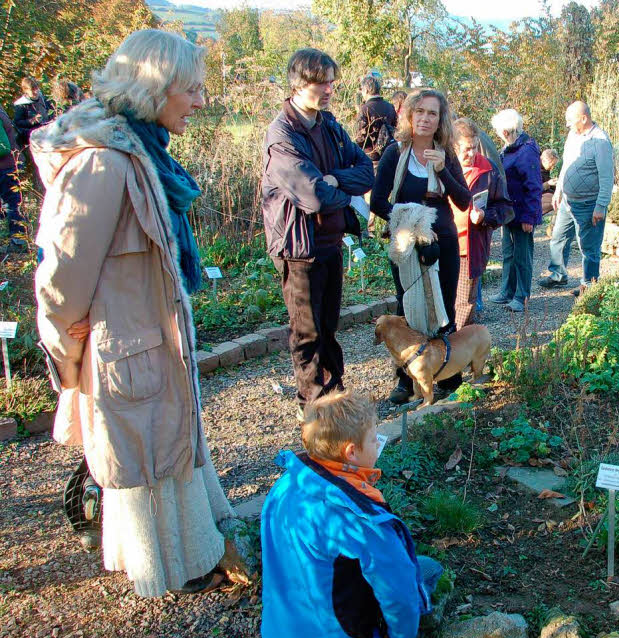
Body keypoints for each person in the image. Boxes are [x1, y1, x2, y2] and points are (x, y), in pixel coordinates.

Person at [33, 28, 235, 596]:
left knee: (163, 446)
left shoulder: (142, 153)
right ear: (154, 88)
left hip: (147, 335)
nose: (200, 102)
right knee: (143, 454)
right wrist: (67, 351)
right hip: (124, 341)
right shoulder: (102, 165)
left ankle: (191, 550)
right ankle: (163, 566)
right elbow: (61, 277)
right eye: (191, 90)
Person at [261, 390, 443, 638]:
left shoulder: (286, 484)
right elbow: (396, 589)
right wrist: (402, 636)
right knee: (428, 569)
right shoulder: (359, 520)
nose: (378, 443)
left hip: (282, 626)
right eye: (373, 438)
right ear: (351, 452)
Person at [261, 49, 374, 415]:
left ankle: (334, 393)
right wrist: (340, 191)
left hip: (330, 242)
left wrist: (335, 179)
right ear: (299, 83)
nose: (328, 89)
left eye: (330, 81)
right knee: (307, 332)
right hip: (299, 248)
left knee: (328, 326)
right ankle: (312, 403)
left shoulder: (330, 126)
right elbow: (312, 195)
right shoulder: (282, 134)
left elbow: (366, 171)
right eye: (320, 82)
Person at [370, 88, 472, 404]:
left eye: (432, 113)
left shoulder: (446, 154)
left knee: (444, 310)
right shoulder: (395, 153)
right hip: (406, 245)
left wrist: (442, 170)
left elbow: (464, 201)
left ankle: (449, 375)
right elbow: (377, 201)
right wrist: (410, 222)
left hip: (442, 243)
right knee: (408, 312)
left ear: (440, 120)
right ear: (409, 115)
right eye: (420, 112)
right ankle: (406, 379)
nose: (426, 118)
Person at [538, 101, 614, 295]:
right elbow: (566, 166)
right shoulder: (573, 135)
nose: (567, 125)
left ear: (583, 118)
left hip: (589, 204)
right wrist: (558, 191)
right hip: (567, 202)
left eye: (570, 121)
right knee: (558, 238)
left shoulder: (600, 142)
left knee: (589, 247)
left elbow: (607, 177)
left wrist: (601, 205)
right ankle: (558, 275)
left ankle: (589, 285)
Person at [451, 117, 513, 327]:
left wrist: (485, 217)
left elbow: (505, 208)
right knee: (440, 304)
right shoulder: (442, 166)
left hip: (469, 249)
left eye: (475, 147)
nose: (472, 154)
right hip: (442, 246)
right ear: (453, 145)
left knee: (464, 306)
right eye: (467, 149)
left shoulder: (489, 170)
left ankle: (459, 353)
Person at [489, 109, 542, 313]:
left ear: (505, 130)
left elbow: (534, 186)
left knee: (522, 256)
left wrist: (529, 217)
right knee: (508, 254)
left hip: (522, 215)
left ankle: (522, 297)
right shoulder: (508, 148)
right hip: (509, 213)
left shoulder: (526, 150)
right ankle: (507, 291)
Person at [13, 76, 54, 195]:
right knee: (38, 166)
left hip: (48, 135)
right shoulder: (21, 105)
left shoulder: (44, 99)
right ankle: (40, 190)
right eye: (33, 89)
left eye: (37, 87)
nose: (36, 91)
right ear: (26, 90)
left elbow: (51, 113)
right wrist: (32, 121)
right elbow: (17, 123)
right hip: (32, 139)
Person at [355, 75, 398, 167]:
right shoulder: (390, 107)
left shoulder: (364, 109)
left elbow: (361, 137)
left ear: (366, 90)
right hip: (389, 153)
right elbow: (396, 129)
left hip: (371, 157)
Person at [0, 106, 26, 252]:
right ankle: (19, 240)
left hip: (3, 166)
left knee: (10, 205)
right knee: (13, 203)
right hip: (10, 164)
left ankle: (17, 242)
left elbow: (4, 145)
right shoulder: (2, 112)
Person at [540, 148, 558, 215]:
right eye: (552, 164)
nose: (552, 168)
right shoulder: (533, 170)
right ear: (544, 160)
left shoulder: (545, 170)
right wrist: (548, 183)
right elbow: (532, 190)